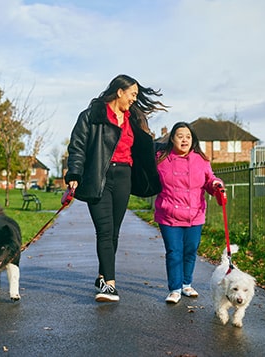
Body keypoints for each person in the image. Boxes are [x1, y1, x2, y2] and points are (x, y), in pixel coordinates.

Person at [64, 74, 168, 302]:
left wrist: (169, 145)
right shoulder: (92, 116)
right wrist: (74, 173)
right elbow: (78, 146)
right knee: (104, 230)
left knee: (114, 232)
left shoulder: (133, 119)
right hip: (98, 176)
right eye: (132, 94)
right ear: (119, 91)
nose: (134, 99)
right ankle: (109, 285)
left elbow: (144, 146)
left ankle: (103, 275)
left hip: (124, 176)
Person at [154, 122, 224, 304]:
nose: (184, 140)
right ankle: (175, 288)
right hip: (168, 213)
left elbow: (210, 179)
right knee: (174, 251)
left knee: (191, 250)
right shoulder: (161, 159)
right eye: (180, 136)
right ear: (172, 139)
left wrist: (216, 184)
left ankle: (186, 283)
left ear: (192, 139)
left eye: (188, 136)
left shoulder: (201, 159)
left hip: (195, 213)